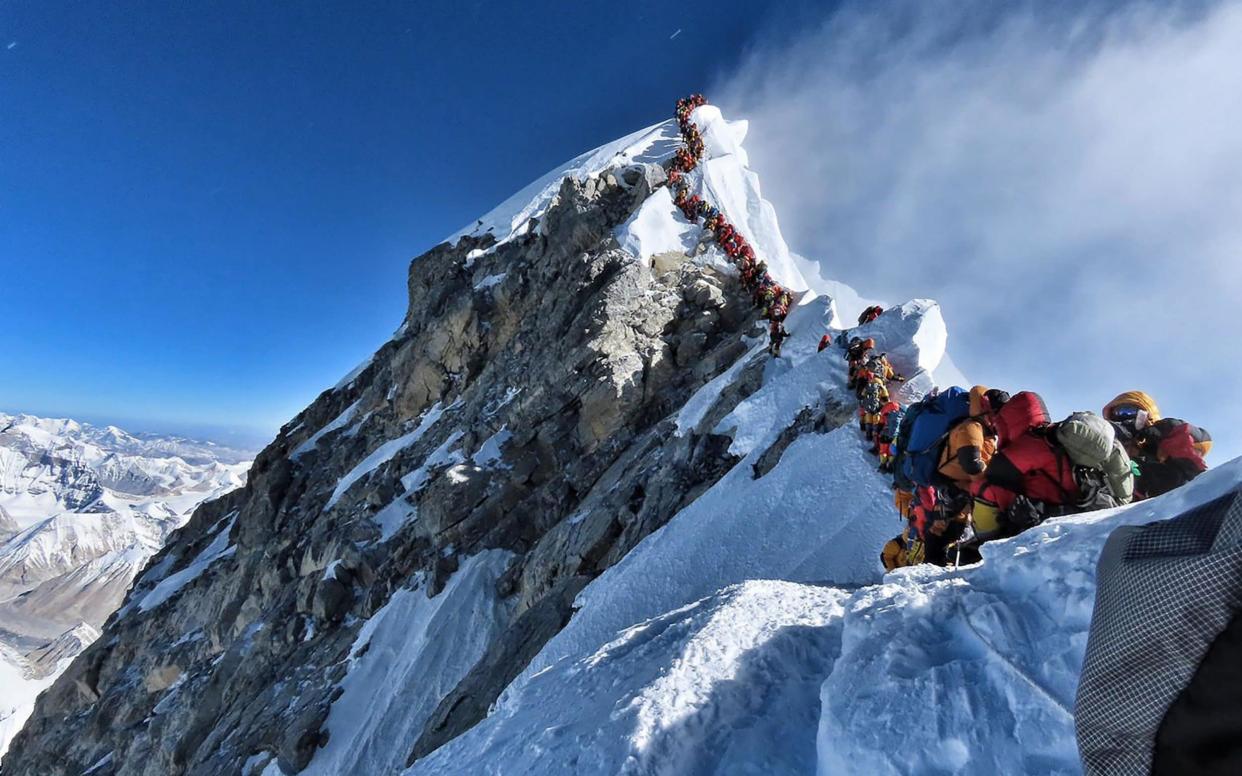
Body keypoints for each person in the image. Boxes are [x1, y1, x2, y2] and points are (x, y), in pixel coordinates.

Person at [1104, 391, 1211, 499]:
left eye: (1127, 411)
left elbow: (1203, 441)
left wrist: (1169, 428)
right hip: (1126, 509)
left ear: (1146, 414)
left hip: (1180, 502)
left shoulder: (1161, 445)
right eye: (1115, 414)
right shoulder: (1109, 451)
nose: (1121, 417)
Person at [937, 386, 1008, 493]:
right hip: (950, 483)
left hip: (959, 482)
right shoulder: (972, 427)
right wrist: (989, 488)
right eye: (999, 415)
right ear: (987, 409)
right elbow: (971, 464)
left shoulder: (987, 435)